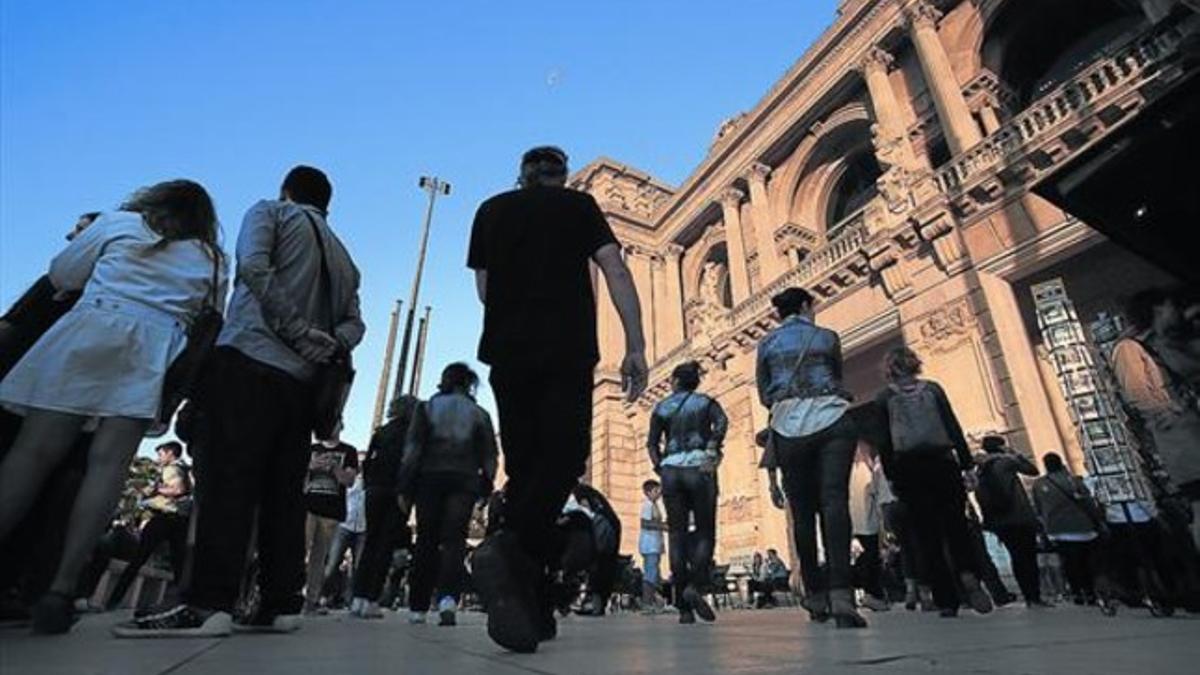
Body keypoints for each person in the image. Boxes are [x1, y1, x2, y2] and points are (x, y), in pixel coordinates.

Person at [116, 166, 364, 638]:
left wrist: (292, 329)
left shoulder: (269, 212)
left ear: (287, 190)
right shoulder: (344, 258)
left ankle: (208, 602)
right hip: (301, 384)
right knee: (281, 493)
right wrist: (325, 344)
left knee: (228, 484)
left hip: (248, 361)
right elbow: (356, 324)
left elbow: (252, 266)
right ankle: (279, 602)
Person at [0, 182, 226, 635]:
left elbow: (63, 275)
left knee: (32, 454)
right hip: (154, 348)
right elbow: (211, 312)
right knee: (107, 468)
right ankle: (61, 589)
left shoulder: (120, 224)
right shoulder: (212, 258)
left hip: (92, 326)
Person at [466, 145, 647, 653]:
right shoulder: (579, 207)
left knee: (526, 471)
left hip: (507, 351)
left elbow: (484, 288)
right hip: (566, 348)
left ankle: (535, 600)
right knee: (564, 459)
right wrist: (635, 344)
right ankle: (510, 549)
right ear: (562, 177)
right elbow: (615, 270)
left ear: (522, 175)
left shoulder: (490, 210)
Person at [756, 287, 864, 628]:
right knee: (835, 503)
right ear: (805, 306)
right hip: (832, 419)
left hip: (789, 426)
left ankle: (815, 595)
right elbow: (836, 376)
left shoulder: (767, 344)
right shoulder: (827, 336)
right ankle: (843, 595)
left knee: (801, 512)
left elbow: (764, 393)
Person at [873, 347, 993, 618]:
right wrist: (966, 465)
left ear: (889, 370)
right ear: (916, 364)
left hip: (909, 468)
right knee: (957, 527)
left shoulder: (884, 398)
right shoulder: (934, 390)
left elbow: (884, 442)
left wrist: (891, 476)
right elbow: (953, 427)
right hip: (943, 463)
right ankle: (968, 575)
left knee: (926, 536)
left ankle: (946, 600)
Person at [397, 363, 498, 627]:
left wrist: (405, 487)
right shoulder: (479, 414)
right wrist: (485, 487)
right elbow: (489, 455)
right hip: (464, 481)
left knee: (426, 540)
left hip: (429, 478)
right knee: (454, 541)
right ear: (468, 384)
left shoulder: (427, 408)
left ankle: (418, 606)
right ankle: (448, 600)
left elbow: (412, 450)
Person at [1111, 288, 1200, 548]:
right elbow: (1138, 393)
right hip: (1182, 441)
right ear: (1157, 310)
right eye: (1168, 306)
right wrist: (1169, 414)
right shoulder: (1129, 348)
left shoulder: (1166, 342)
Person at [646, 360, 727, 624]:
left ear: (675, 382)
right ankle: (696, 585)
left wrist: (661, 468)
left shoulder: (662, 407)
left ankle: (683, 608)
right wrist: (712, 446)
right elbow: (722, 423)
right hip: (699, 468)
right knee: (705, 530)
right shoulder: (705, 402)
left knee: (677, 535)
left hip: (671, 471)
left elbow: (652, 443)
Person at [350, 395, 419, 618]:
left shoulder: (381, 432)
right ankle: (372, 598)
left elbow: (368, 462)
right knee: (384, 545)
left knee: (370, 542)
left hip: (375, 491)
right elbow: (410, 464)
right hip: (396, 492)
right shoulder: (411, 434)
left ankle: (357, 598)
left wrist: (370, 485)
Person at [104, 442, 193, 610]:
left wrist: (152, 490)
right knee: (179, 564)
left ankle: (113, 600)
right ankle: (183, 604)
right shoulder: (183, 469)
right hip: (179, 519)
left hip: (166, 518)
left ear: (170, 453)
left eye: (161, 454)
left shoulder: (172, 469)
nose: (159, 458)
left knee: (138, 558)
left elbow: (178, 489)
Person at [974, 435, 1049, 608]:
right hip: (1018, 517)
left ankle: (1028, 594)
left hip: (1000, 521)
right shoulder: (1006, 463)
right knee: (1028, 557)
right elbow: (1032, 470)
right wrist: (1014, 453)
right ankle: (1034, 597)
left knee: (1016, 557)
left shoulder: (981, 468)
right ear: (1001, 447)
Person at [1032, 452, 1104, 604]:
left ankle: (1077, 592)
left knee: (1069, 562)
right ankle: (1090, 592)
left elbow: (1037, 509)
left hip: (1058, 530)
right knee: (1086, 561)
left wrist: (1044, 528)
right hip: (1083, 528)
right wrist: (1098, 520)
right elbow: (1088, 502)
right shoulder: (1074, 481)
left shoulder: (1039, 485)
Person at [302, 428, 360, 614]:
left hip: (331, 511)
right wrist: (311, 466)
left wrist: (334, 468)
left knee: (319, 559)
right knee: (299, 550)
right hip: (308, 506)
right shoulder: (310, 449)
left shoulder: (349, 451)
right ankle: (291, 593)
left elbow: (349, 481)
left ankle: (311, 600)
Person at [850, 443, 889, 611]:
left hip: (854, 523)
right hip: (867, 523)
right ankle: (873, 594)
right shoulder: (865, 469)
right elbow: (875, 493)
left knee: (862, 561)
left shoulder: (847, 470)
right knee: (871, 560)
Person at [321, 470, 367, 610]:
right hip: (344, 525)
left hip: (363, 527)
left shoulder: (370, 483)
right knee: (332, 563)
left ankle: (351, 599)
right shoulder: (349, 481)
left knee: (358, 567)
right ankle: (324, 595)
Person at [638, 479, 666, 611]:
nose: (659, 493)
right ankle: (647, 603)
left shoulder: (655, 505)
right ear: (648, 492)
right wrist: (664, 526)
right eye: (656, 491)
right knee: (650, 574)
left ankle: (657, 602)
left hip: (656, 544)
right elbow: (645, 523)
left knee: (656, 574)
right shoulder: (647, 505)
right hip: (649, 545)